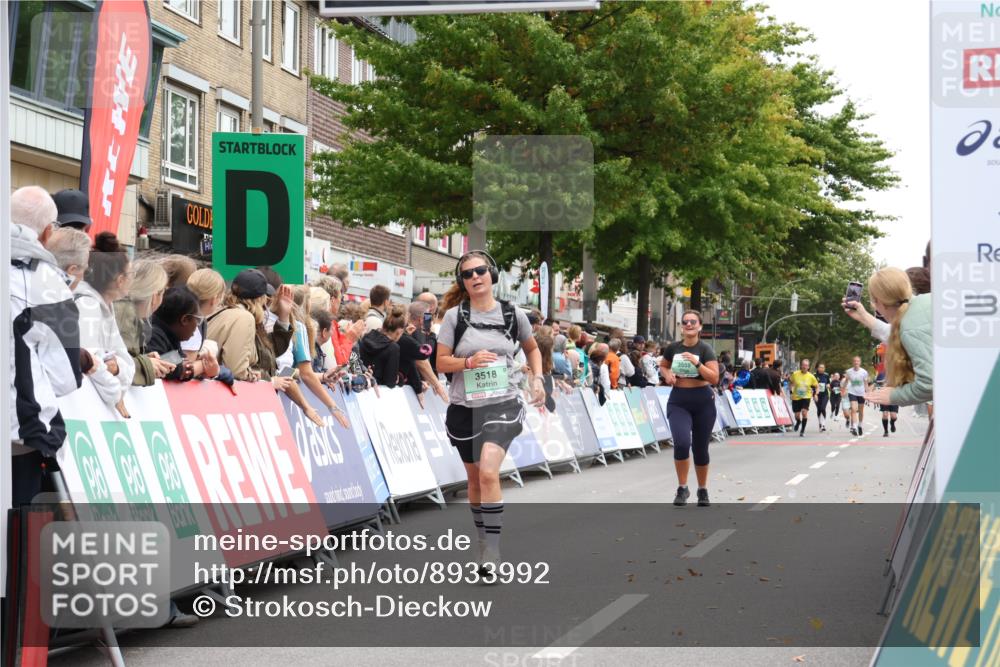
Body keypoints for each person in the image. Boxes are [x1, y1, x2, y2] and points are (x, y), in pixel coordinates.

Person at [436, 250, 543, 577]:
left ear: (492, 274)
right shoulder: (454, 317)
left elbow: (532, 349)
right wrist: (467, 362)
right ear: (462, 282)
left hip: (502, 404)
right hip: (464, 407)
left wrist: (537, 378)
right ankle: (483, 541)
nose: (475, 277)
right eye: (467, 274)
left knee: (487, 472)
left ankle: (493, 551)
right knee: (474, 478)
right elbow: (440, 363)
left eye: (480, 270)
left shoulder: (513, 314)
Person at [10, 186, 85, 505]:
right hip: (21, 435)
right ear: (48, 232)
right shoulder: (49, 284)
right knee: (18, 547)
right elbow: (64, 376)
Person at [660, 311, 720, 507]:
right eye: (685, 322)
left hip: (703, 400)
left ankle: (702, 489)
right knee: (682, 442)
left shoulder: (705, 349)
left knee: (700, 448)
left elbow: (714, 378)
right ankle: (682, 487)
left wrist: (697, 363)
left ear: (700, 326)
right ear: (681, 327)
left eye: (693, 322)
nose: (689, 324)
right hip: (679, 400)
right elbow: (663, 366)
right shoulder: (673, 348)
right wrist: (668, 375)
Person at [75, 233, 136, 413]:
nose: (133, 279)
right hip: (82, 408)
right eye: (131, 273)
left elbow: (125, 365)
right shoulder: (88, 306)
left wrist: (117, 368)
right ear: (120, 280)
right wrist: (116, 393)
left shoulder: (105, 306)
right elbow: (92, 363)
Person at [862, 267, 932, 409]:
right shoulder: (928, 301)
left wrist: (893, 396)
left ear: (878, 302)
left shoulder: (909, 328)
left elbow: (929, 384)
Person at [206, 269, 293, 382]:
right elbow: (237, 370)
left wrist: (283, 317)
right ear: (259, 299)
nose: (266, 302)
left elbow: (266, 353)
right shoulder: (244, 317)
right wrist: (269, 382)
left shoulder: (228, 311)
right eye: (265, 297)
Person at [113, 259, 175, 385]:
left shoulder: (123, 311)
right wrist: (146, 364)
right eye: (163, 292)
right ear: (155, 296)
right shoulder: (125, 316)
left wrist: (145, 361)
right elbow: (112, 365)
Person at [147, 287, 219, 382]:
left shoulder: (172, 337)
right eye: (197, 320)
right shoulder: (154, 335)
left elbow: (180, 361)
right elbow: (163, 366)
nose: (197, 327)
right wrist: (200, 366)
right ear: (184, 320)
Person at [402, 301, 448, 402]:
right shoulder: (415, 332)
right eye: (428, 316)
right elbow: (422, 360)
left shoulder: (406, 330)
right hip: (408, 388)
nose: (429, 319)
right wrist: (437, 384)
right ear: (421, 319)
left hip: (411, 385)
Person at [360, 304, 406, 386]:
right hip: (377, 390)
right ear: (399, 331)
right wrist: (399, 378)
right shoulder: (393, 348)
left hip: (361, 384)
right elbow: (390, 381)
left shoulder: (368, 336)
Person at [789, 359, 819, 437]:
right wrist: (791, 393)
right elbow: (791, 383)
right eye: (803, 365)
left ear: (808, 367)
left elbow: (817, 386)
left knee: (804, 412)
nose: (804, 367)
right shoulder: (795, 374)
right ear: (801, 366)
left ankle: (802, 430)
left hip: (806, 397)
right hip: (796, 397)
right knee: (797, 415)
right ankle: (798, 422)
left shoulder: (811, 376)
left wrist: (815, 394)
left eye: (806, 365)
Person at [844, 356, 870, 436]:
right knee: (854, 409)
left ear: (860, 362)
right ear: (853, 362)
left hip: (861, 393)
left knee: (861, 411)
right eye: (855, 361)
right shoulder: (849, 372)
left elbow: (866, 384)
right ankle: (854, 427)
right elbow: (846, 381)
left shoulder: (864, 372)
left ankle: (860, 425)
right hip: (852, 393)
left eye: (858, 361)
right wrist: (844, 387)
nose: (856, 363)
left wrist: (867, 394)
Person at [813, 363, 831, 432]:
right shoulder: (814, 375)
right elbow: (811, 385)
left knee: (823, 408)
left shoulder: (826, 375)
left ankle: (823, 424)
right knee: (819, 409)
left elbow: (828, 383)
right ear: (817, 368)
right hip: (817, 395)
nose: (822, 369)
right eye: (820, 367)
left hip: (825, 394)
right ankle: (820, 423)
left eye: (823, 367)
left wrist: (828, 385)